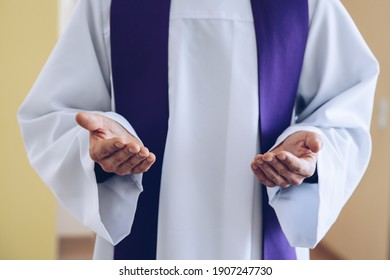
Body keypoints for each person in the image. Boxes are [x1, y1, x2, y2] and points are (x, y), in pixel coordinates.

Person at [18, 0, 379, 260]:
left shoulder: (308, 4)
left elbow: (345, 111)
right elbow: (53, 115)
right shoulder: (106, 4)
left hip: (260, 239)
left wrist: (311, 155)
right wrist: (95, 149)